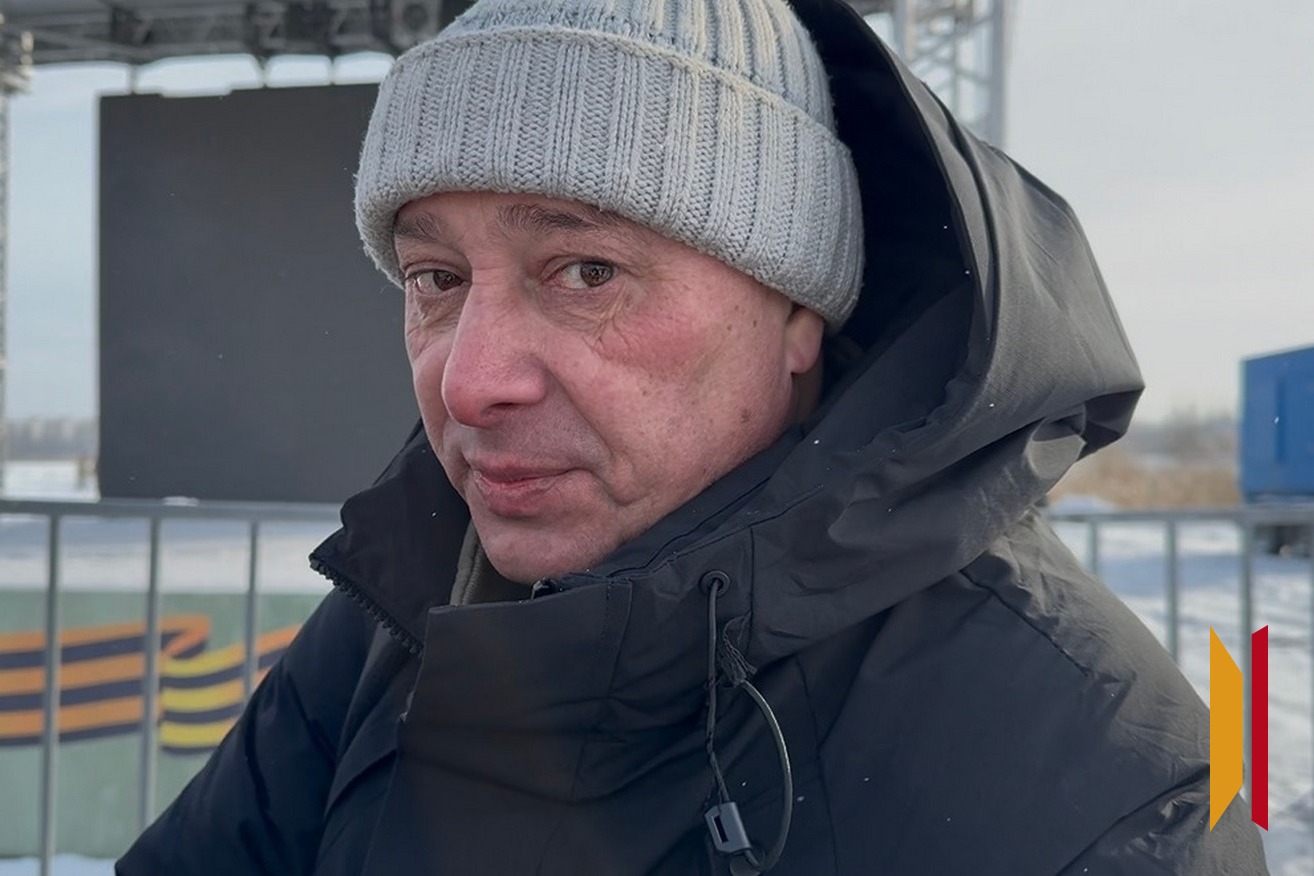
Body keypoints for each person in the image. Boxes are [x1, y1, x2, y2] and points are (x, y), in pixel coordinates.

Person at [117, 0, 1269, 873]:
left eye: (587, 271)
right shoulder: (403, 612)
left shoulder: (1110, 791)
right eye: (436, 278)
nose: (469, 380)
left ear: (798, 313)